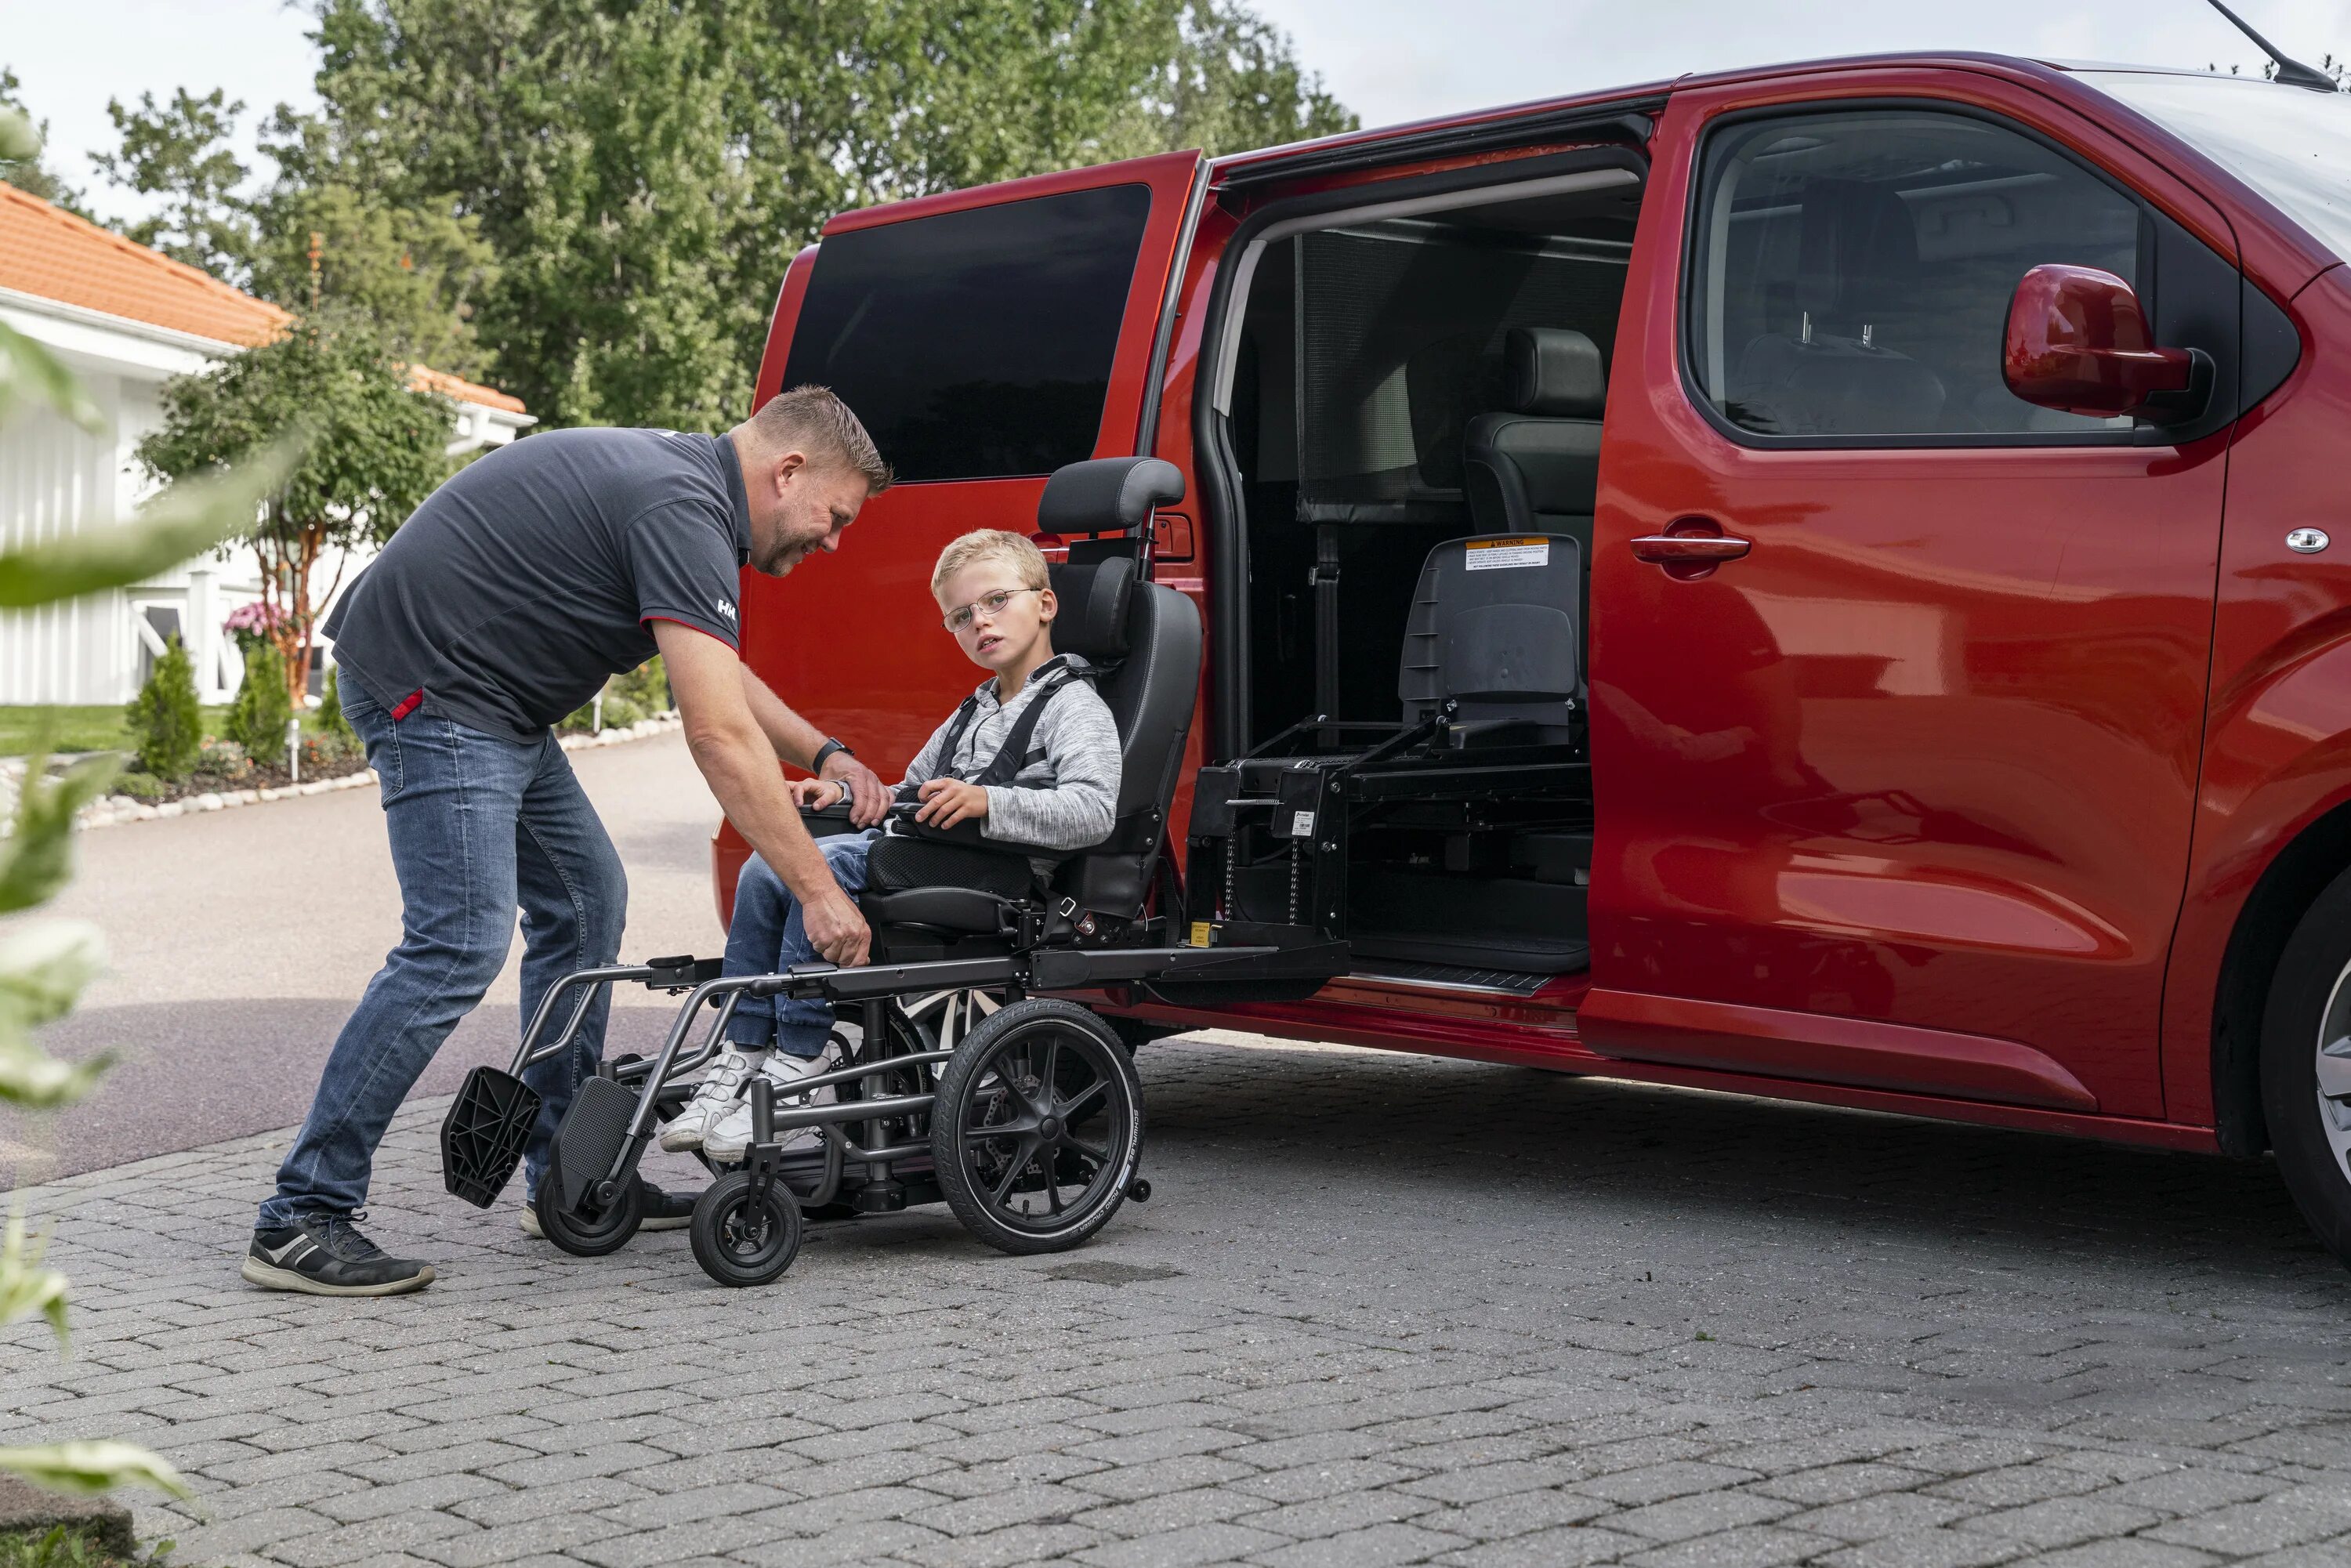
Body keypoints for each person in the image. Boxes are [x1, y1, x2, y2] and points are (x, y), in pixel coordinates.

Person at [243, 386, 895, 1298]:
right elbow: (715, 734)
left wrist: (823, 749)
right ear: (787, 473)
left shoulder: (686, 487)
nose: (831, 540)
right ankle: (300, 1216)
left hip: (494, 704)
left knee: (588, 902)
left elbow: (722, 672)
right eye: (833, 517)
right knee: (455, 945)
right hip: (438, 691)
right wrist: (819, 891)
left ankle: (568, 1182)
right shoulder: (683, 505)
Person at [660, 529, 1121, 1161]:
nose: (979, 621)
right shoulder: (974, 709)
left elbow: (1094, 812)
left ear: (1045, 604)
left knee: (819, 866)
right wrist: (846, 800)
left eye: (995, 601)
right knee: (771, 866)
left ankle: (797, 1060)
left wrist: (990, 801)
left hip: (1001, 874)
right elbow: (910, 793)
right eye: (961, 616)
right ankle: (741, 1056)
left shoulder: (1075, 706)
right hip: (933, 854)